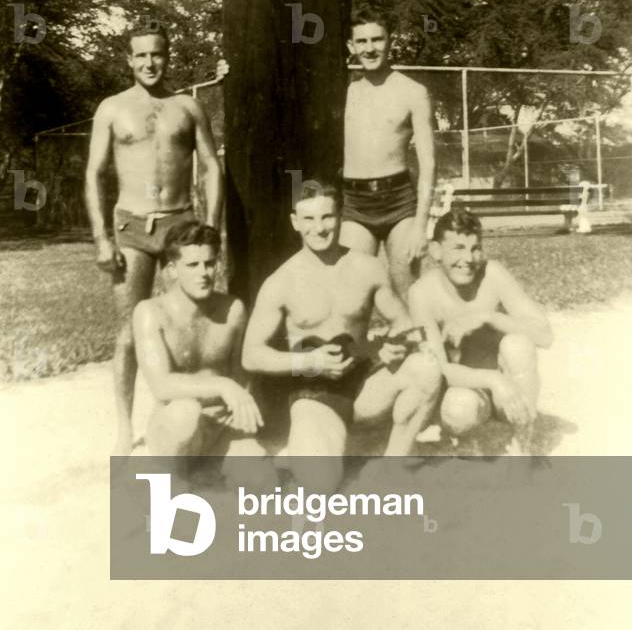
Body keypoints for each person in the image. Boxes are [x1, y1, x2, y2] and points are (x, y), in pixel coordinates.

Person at [242, 180, 442, 484]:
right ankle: (321, 446)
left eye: (327, 217)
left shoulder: (368, 267)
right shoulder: (281, 282)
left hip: (364, 387)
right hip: (315, 394)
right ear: (295, 222)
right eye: (308, 219)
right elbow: (251, 355)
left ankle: (393, 466)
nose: (319, 228)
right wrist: (309, 363)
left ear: (340, 217)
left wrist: (393, 345)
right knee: (320, 484)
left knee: (426, 369)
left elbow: (404, 324)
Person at [85, 21, 225, 454]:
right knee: (128, 333)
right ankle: (124, 426)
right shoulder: (112, 108)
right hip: (132, 227)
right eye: (141, 55)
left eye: (157, 54)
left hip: (181, 225)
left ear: (168, 56)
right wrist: (102, 238)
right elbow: (94, 173)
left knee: (187, 326)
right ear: (128, 59)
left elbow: (212, 166)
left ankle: (190, 416)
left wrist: (212, 228)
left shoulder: (187, 107)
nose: (150, 62)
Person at [409, 205, 553, 449]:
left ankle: (523, 444)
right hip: (466, 391)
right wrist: (494, 380)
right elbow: (439, 370)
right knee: (458, 411)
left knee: (518, 344)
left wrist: (489, 317)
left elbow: (544, 335)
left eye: (475, 249)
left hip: (507, 387)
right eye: (458, 248)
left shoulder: (492, 274)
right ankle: (467, 443)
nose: (468, 259)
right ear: (436, 251)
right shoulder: (422, 293)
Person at [132, 220, 268, 460]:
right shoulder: (150, 312)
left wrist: (244, 421)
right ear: (173, 269)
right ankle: (173, 476)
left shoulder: (232, 309)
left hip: (222, 423)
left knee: (261, 480)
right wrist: (222, 385)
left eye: (209, 263)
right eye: (192, 265)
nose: (203, 273)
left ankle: (209, 467)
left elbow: (241, 376)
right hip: (176, 424)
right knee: (186, 412)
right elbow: (161, 386)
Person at [340, 3, 435, 301]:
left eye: (377, 39)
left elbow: (429, 165)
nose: (370, 49)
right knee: (354, 293)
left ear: (390, 40)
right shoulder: (344, 91)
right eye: (362, 41)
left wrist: (421, 225)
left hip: (400, 203)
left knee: (408, 289)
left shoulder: (413, 91)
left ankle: (420, 347)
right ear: (351, 46)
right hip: (354, 204)